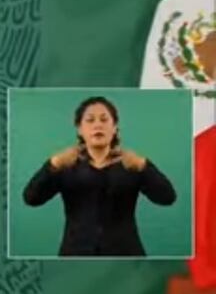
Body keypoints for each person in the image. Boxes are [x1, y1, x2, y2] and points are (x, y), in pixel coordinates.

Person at [22, 96, 177, 256]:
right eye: (90, 120)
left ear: (114, 127)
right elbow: (31, 198)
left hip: (126, 256)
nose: (98, 125)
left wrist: (144, 166)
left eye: (104, 120)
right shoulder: (66, 166)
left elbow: (167, 198)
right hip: (75, 255)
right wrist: (52, 165)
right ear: (79, 129)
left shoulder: (130, 164)